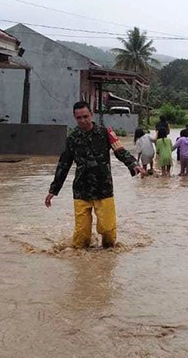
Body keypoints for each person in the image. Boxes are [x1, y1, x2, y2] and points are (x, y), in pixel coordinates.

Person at [45, 101, 146, 248]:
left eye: (85, 116)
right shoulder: (72, 139)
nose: (83, 120)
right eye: (79, 118)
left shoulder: (105, 133)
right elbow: (64, 164)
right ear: (75, 118)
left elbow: (120, 151)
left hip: (103, 189)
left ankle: (105, 263)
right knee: (81, 238)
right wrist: (53, 190)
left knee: (108, 234)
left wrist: (133, 164)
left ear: (91, 115)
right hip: (81, 190)